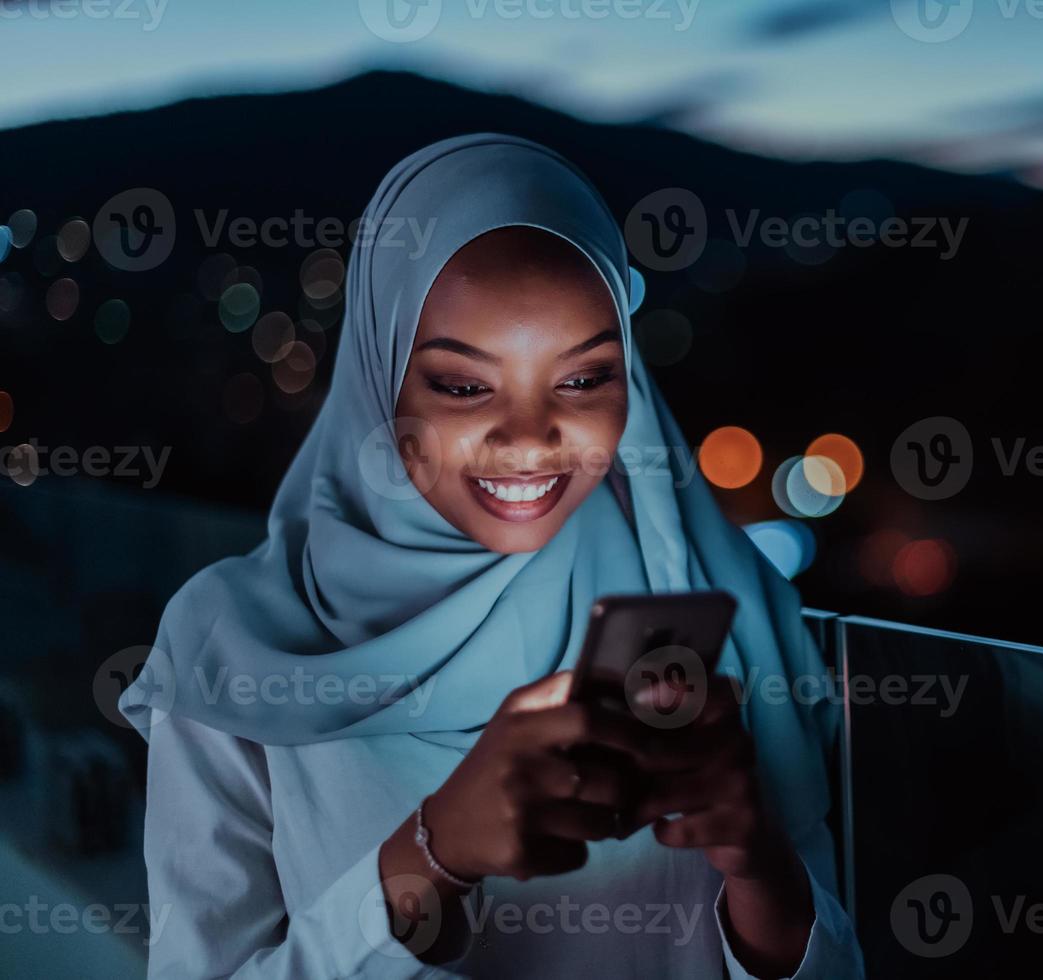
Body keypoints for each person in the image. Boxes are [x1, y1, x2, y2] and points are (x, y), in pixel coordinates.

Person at [120, 134, 864, 978]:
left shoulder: (720, 599)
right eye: (464, 385)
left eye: (584, 379)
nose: (529, 440)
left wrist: (759, 866)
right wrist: (430, 856)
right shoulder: (237, 644)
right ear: (379, 376)